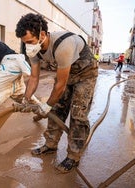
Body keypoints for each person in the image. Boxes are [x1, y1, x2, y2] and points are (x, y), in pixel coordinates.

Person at [15, 13, 98, 173]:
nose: (28, 46)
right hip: (66, 72)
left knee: (77, 114)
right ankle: (51, 145)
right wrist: (26, 99)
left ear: (43, 34)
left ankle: (73, 156)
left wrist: (46, 105)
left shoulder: (63, 45)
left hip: (85, 74)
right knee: (57, 110)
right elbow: (34, 77)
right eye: (25, 43)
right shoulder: (34, 49)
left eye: (30, 42)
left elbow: (60, 85)